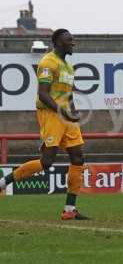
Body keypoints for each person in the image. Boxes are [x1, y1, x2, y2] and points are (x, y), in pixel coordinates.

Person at [0, 29, 89, 220]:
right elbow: (43, 94)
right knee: (46, 162)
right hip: (51, 115)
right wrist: (61, 111)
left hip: (65, 117)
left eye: (73, 39)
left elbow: (69, 94)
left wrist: (72, 112)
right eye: (69, 40)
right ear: (58, 43)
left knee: (78, 157)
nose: (73, 43)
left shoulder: (68, 67)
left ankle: (69, 210)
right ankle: (2, 183)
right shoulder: (48, 62)